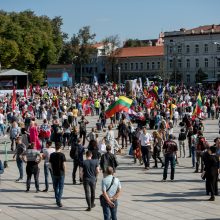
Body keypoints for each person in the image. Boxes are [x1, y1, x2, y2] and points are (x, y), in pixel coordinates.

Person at [49, 142, 66, 207]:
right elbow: (64, 165)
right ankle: (59, 200)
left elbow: (50, 165)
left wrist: (52, 170)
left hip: (54, 173)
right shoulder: (62, 155)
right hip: (61, 173)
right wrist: (64, 172)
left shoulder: (52, 155)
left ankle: (57, 199)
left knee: (56, 187)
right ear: (60, 147)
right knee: (61, 187)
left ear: (55, 147)